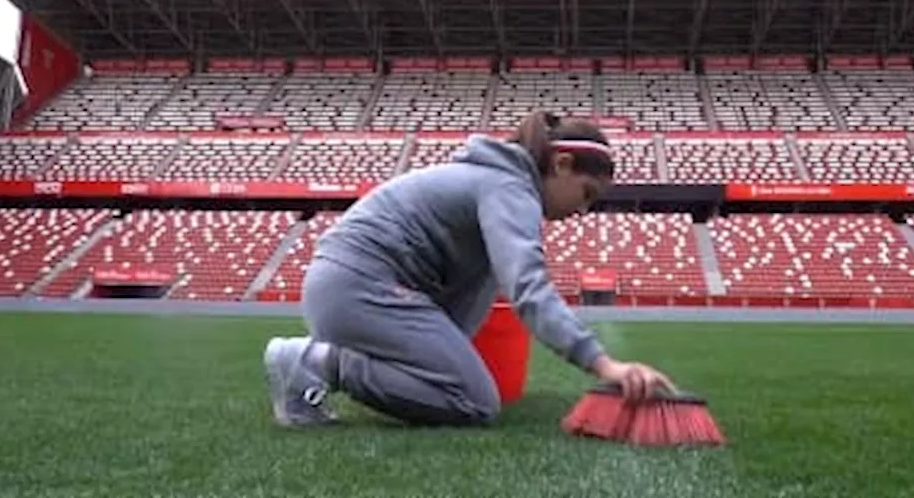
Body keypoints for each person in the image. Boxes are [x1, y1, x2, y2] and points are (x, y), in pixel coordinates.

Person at [262, 110, 675, 428]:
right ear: (562, 164)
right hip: (358, 287)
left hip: (348, 287)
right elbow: (528, 288)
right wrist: (603, 364)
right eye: (586, 194)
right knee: (475, 400)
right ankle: (316, 361)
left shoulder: (494, 183)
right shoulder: (510, 189)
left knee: (468, 384)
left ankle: (318, 368)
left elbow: (476, 293)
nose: (582, 211)